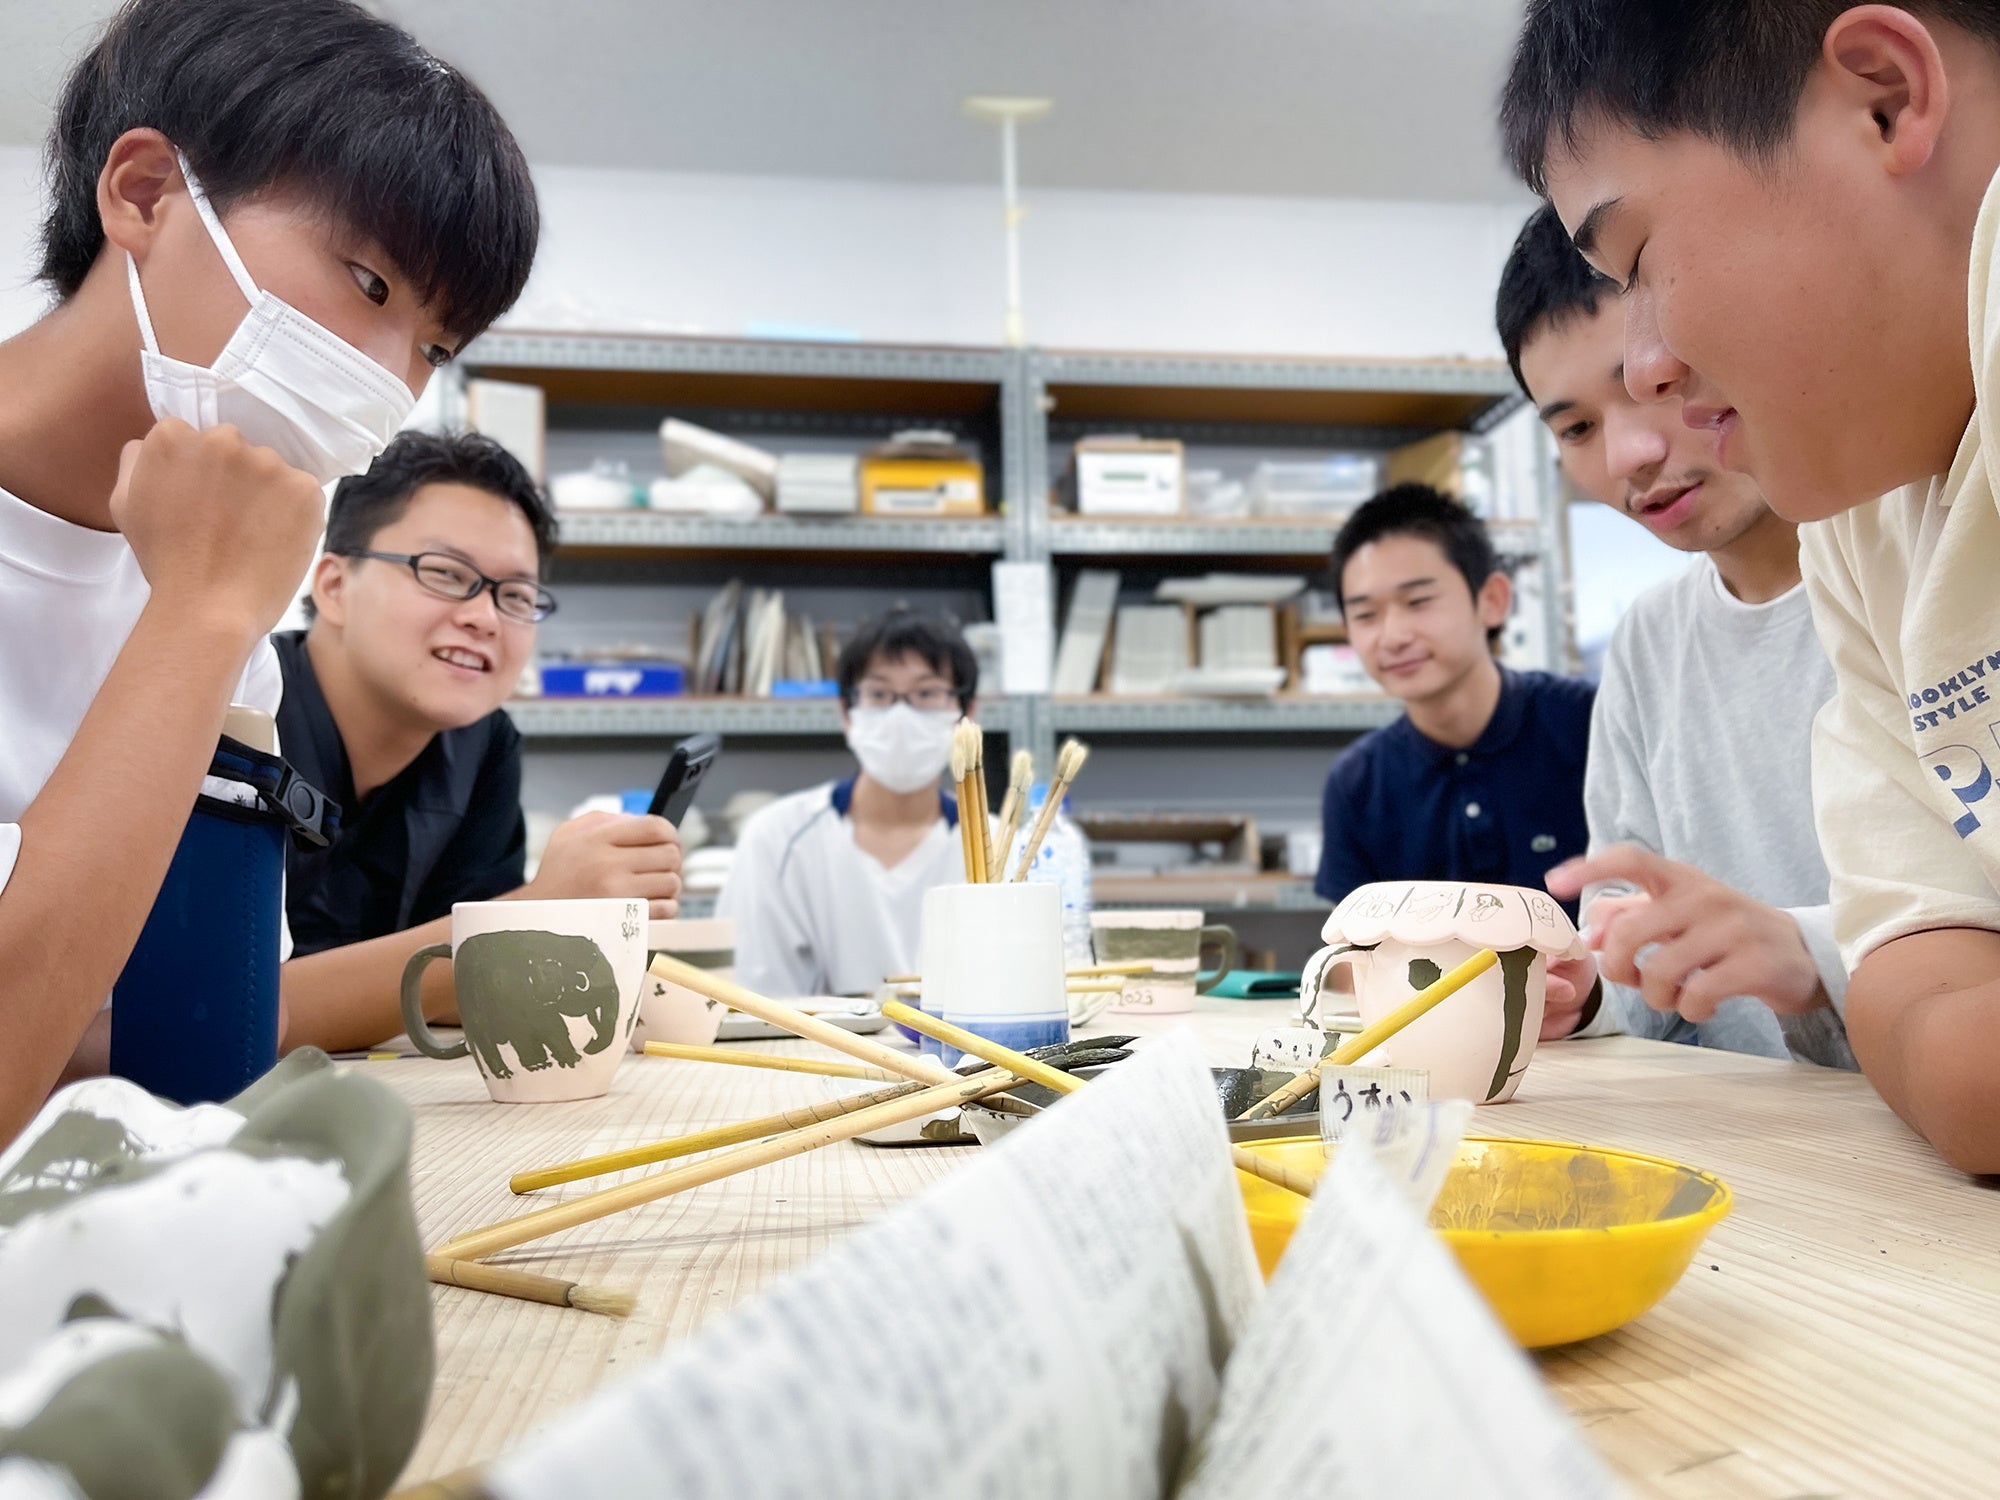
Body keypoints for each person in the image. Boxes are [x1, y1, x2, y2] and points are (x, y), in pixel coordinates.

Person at [0, 0, 538, 1142]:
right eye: (370, 282)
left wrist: (209, 613)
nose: (389, 380)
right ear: (145, 192)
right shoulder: (212, 594)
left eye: (435, 348)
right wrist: (201, 615)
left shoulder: (218, 584)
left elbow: (182, 1044)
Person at [1502, 0, 2000, 1167]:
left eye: (1637, 264)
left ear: (1883, 98)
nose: (1649, 376)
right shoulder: (1860, 529)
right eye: (1572, 425)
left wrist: (1882, 993)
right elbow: (1915, 980)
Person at [1497, 205, 1855, 1068]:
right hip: (1740, 1124)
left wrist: (1808, 950)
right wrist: (1583, 990)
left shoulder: (1918, 575)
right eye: (1576, 428)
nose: (1629, 454)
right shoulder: (1648, 639)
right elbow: (1633, 932)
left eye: (1651, 383)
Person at [275, 431, 684, 1053]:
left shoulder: (482, 746)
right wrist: (534, 915)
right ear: (334, 586)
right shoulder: (235, 716)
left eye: (515, 595)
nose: (484, 617)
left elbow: (469, 997)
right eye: (444, 573)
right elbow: (214, 1016)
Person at [1317, 484, 1596, 937]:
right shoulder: (1358, 783)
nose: (1393, 636)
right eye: (1365, 614)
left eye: (1418, 602)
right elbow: (1351, 954)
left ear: (1492, 600)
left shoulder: (1591, 724)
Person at [718, 609, 981, 998]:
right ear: (846, 712)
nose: (901, 715)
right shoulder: (777, 839)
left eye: (927, 693)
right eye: (879, 694)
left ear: (966, 713)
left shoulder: (999, 847)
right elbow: (748, 999)